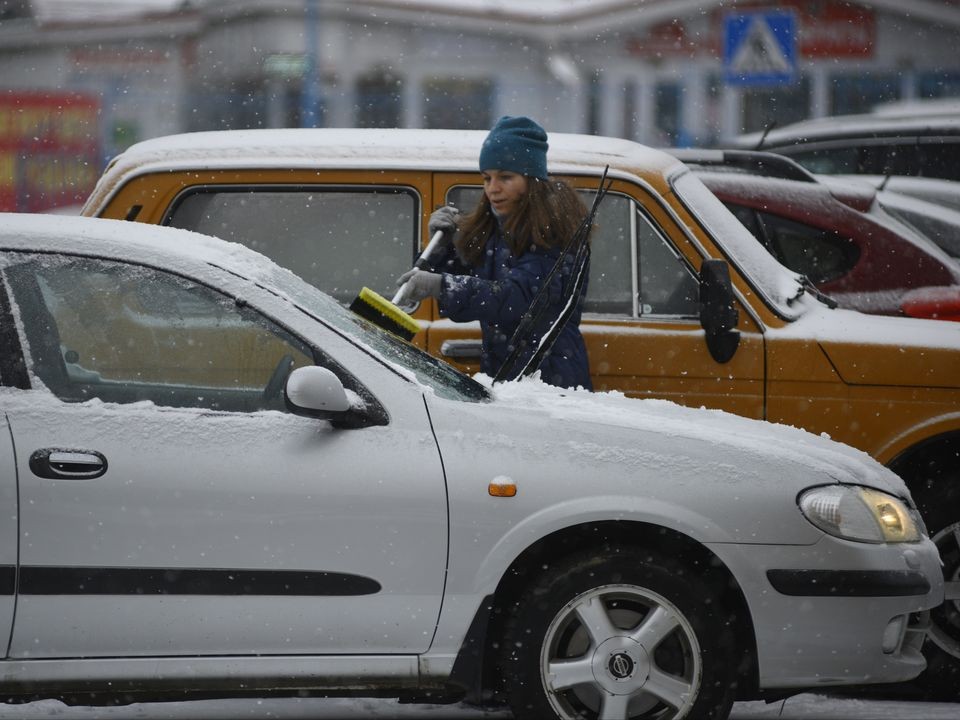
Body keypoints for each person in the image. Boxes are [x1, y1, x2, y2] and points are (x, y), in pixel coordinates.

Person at [395, 115, 592, 390]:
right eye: (487, 178)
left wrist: (443, 285)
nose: (492, 189)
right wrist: (441, 251)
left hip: (549, 379)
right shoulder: (499, 229)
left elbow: (517, 300)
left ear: (532, 179)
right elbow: (474, 286)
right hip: (507, 375)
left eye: (505, 177)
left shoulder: (554, 233)